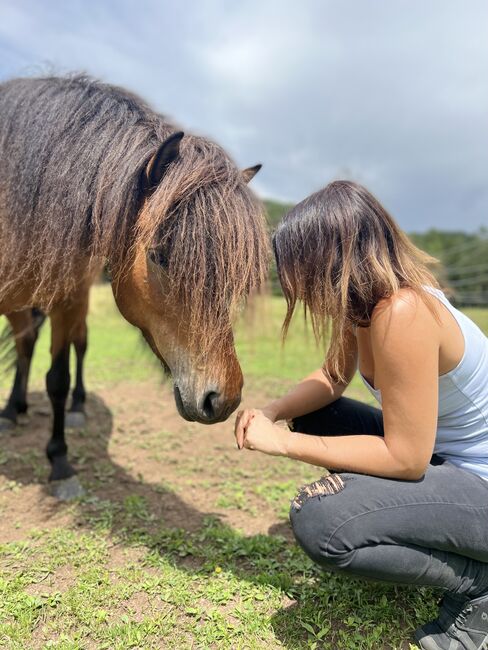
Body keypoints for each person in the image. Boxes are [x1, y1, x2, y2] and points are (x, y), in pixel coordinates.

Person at [234, 180, 488, 650]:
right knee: (318, 416)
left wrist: (283, 443)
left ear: (327, 258)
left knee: (321, 521)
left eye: (296, 268)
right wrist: (272, 412)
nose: (293, 284)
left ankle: (477, 585)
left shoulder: (404, 311)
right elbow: (333, 376)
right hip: (446, 462)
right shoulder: (367, 307)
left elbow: (406, 458)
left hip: (479, 484)